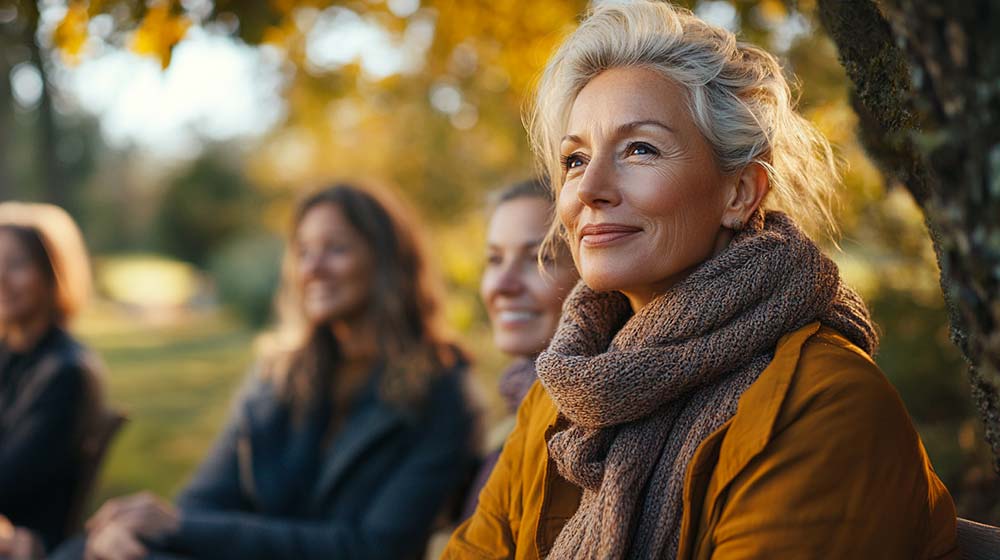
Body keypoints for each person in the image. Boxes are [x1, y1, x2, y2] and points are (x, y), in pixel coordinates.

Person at [444, 2, 959, 559]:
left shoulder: (824, 401)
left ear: (740, 193)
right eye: (574, 159)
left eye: (640, 149)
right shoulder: (563, 392)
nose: (589, 187)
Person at [69, 184, 476, 560]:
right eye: (303, 251)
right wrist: (137, 532)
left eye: (336, 249)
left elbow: (375, 548)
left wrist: (179, 528)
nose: (313, 267)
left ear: (388, 262)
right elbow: (204, 502)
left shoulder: (441, 390)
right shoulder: (281, 374)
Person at [460, 179, 578, 520]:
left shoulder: (581, 434)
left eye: (539, 258)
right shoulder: (512, 415)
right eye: (495, 260)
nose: (504, 285)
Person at [0, 202, 104, 557]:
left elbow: (9, 482)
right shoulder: (9, 354)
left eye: (16, 265)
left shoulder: (67, 372)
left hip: (30, 545)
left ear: (53, 272)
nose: (1, 278)